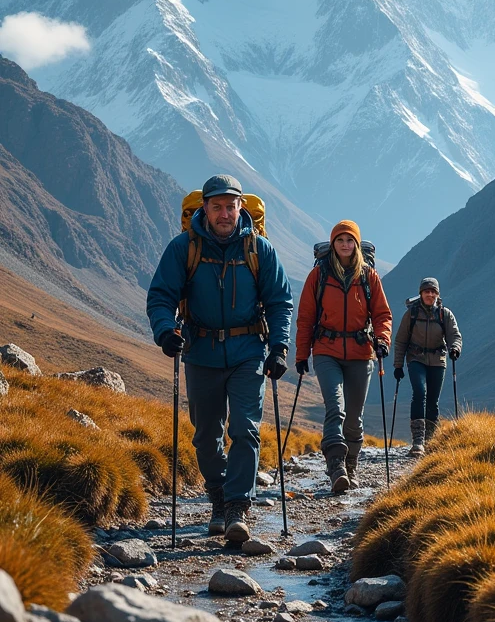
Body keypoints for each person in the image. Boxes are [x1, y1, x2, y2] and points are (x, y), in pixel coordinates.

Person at [147, 174, 293, 542]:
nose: (225, 214)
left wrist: (279, 347)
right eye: (217, 207)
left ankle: (237, 507)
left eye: (231, 206)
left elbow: (279, 302)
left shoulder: (259, 250)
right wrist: (166, 331)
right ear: (205, 209)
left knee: (245, 428)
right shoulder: (184, 248)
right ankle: (218, 496)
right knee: (206, 436)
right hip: (200, 351)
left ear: (241, 207)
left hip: (248, 353)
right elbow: (161, 295)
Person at [295, 221, 393, 492]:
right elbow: (305, 317)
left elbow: (382, 315)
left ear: (357, 244)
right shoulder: (319, 276)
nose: (345, 245)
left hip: (362, 354)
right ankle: (335, 465)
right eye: (340, 240)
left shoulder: (369, 276)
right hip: (327, 351)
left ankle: (351, 466)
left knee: (354, 417)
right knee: (335, 408)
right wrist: (302, 354)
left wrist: (382, 340)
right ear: (333, 244)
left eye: (350, 241)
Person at [393, 277, 462, 456]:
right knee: (419, 393)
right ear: (421, 293)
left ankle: (430, 441)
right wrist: (398, 365)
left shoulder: (444, 314)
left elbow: (454, 335)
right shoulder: (411, 314)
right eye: (426, 291)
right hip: (416, 359)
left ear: (437, 294)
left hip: (438, 360)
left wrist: (455, 348)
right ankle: (418, 442)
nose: (429, 294)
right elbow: (400, 340)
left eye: (433, 292)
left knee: (433, 400)